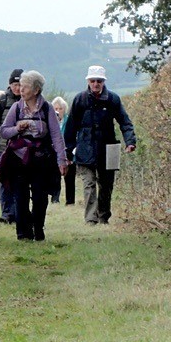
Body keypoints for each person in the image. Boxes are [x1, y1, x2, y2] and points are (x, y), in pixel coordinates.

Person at [0, 70, 68, 241]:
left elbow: (56, 135)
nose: (21, 90)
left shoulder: (47, 108)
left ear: (36, 90)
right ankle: (23, 232)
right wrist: (17, 129)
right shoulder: (16, 108)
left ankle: (38, 228)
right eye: (21, 86)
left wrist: (62, 159)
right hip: (19, 158)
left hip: (41, 158)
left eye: (26, 87)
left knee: (40, 196)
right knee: (20, 196)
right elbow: (4, 132)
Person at [63, 65, 136, 225]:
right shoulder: (80, 99)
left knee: (106, 185)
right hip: (86, 147)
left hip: (109, 148)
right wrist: (68, 151)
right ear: (88, 81)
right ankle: (90, 219)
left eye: (99, 81)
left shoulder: (113, 100)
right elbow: (71, 127)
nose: (96, 84)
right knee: (89, 184)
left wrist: (130, 141)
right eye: (93, 80)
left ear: (103, 82)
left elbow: (125, 122)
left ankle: (103, 216)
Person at [0, 68, 23, 224]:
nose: (17, 88)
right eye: (14, 84)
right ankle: (6, 213)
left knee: (20, 182)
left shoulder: (28, 101)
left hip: (23, 149)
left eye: (20, 84)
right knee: (4, 181)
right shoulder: (2, 101)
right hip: (3, 148)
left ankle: (19, 212)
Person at [50, 96, 75, 206]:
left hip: (69, 152)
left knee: (70, 177)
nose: (58, 111)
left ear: (64, 109)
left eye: (60, 108)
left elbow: (74, 137)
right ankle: (55, 198)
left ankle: (70, 201)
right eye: (56, 108)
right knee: (55, 177)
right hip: (54, 153)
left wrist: (70, 154)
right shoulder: (50, 122)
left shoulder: (69, 121)